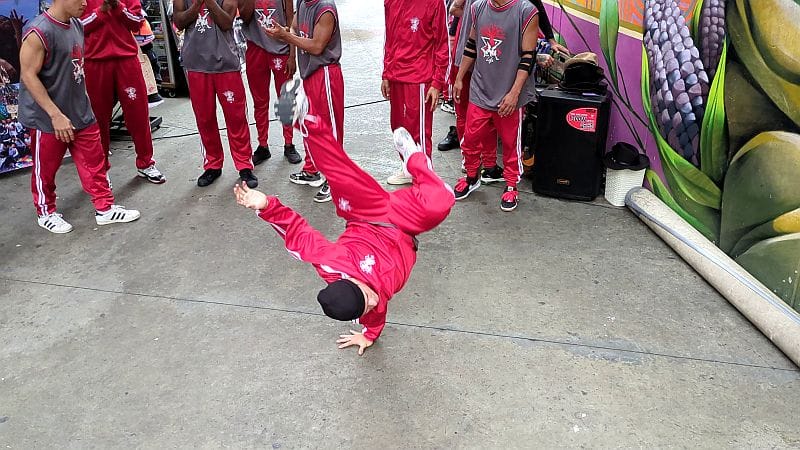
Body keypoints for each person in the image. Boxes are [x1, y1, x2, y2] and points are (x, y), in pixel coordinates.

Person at [234, 79, 454, 354]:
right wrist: (368, 335)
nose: (374, 301)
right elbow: (374, 318)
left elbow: (298, 234)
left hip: (365, 215)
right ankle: (418, 161)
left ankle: (303, 118)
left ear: (347, 280)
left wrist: (265, 205)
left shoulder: (331, 265)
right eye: (368, 306)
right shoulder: (369, 309)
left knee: (339, 170)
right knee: (442, 201)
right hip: (404, 227)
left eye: (367, 296)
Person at [19, 0, 140, 233]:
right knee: (46, 170)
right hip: (48, 118)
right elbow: (28, 75)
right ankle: (46, 212)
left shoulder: (76, 24)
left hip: (80, 111)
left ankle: (105, 208)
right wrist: (55, 115)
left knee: (95, 163)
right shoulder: (38, 31)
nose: (85, 3)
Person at [452, 0, 539, 212]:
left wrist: (514, 93)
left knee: (510, 143)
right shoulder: (478, 7)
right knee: (471, 138)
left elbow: (528, 57)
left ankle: (511, 185)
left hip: (508, 93)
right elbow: (471, 45)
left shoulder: (526, 11)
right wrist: (460, 77)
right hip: (480, 88)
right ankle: (471, 176)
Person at [172, 0, 259, 188]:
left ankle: (244, 164)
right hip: (196, 64)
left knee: (236, 118)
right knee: (204, 119)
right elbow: (178, 21)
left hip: (226, 63)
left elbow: (226, 22)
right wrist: (197, 5)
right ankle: (213, 164)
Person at [264, 0, 343, 203]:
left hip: (325, 73)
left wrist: (286, 36)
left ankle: (336, 182)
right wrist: (285, 32)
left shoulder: (325, 8)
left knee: (330, 130)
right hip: (309, 73)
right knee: (310, 126)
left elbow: (317, 46)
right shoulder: (303, 2)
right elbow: (294, 27)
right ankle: (312, 170)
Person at [81, 0, 166, 184]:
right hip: (94, 61)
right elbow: (77, 27)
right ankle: (101, 169)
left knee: (138, 114)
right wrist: (101, 11)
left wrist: (117, 6)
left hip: (126, 59)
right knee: (98, 118)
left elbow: (137, 22)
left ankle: (146, 163)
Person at [382, 0, 449, 185]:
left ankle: (425, 178)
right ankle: (409, 168)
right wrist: (386, 73)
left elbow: (443, 44)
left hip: (419, 78)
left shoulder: (434, 3)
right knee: (398, 129)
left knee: (419, 132)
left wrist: (437, 82)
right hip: (396, 75)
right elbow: (389, 39)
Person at [238, 0, 302, 166]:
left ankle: (289, 143)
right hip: (255, 48)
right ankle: (263, 145)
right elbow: (244, 16)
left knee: (286, 99)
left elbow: (290, 21)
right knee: (260, 102)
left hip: (281, 49)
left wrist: (292, 55)